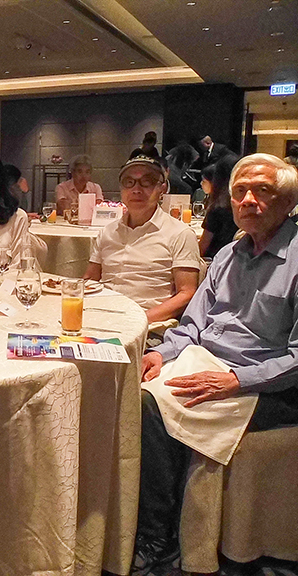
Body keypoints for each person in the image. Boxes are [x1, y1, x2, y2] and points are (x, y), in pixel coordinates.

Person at [133, 154, 298, 573]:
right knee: (135, 392)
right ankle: (151, 523)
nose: (248, 200)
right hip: (205, 361)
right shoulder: (227, 255)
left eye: (262, 191)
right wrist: (160, 353)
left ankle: (158, 536)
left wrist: (237, 381)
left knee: (155, 407)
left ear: (288, 201)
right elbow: (193, 324)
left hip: (269, 386)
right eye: (240, 191)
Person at [84, 155, 200, 324]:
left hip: (149, 324)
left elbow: (187, 293)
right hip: (101, 317)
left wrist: (138, 320)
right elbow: (90, 279)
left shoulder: (180, 234)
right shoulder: (107, 232)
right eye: (129, 182)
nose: (136, 189)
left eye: (146, 182)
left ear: (162, 188)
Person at [198, 154, 239, 259]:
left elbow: (202, 248)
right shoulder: (242, 207)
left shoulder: (218, 209)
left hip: (216, 261)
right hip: (238, 259)